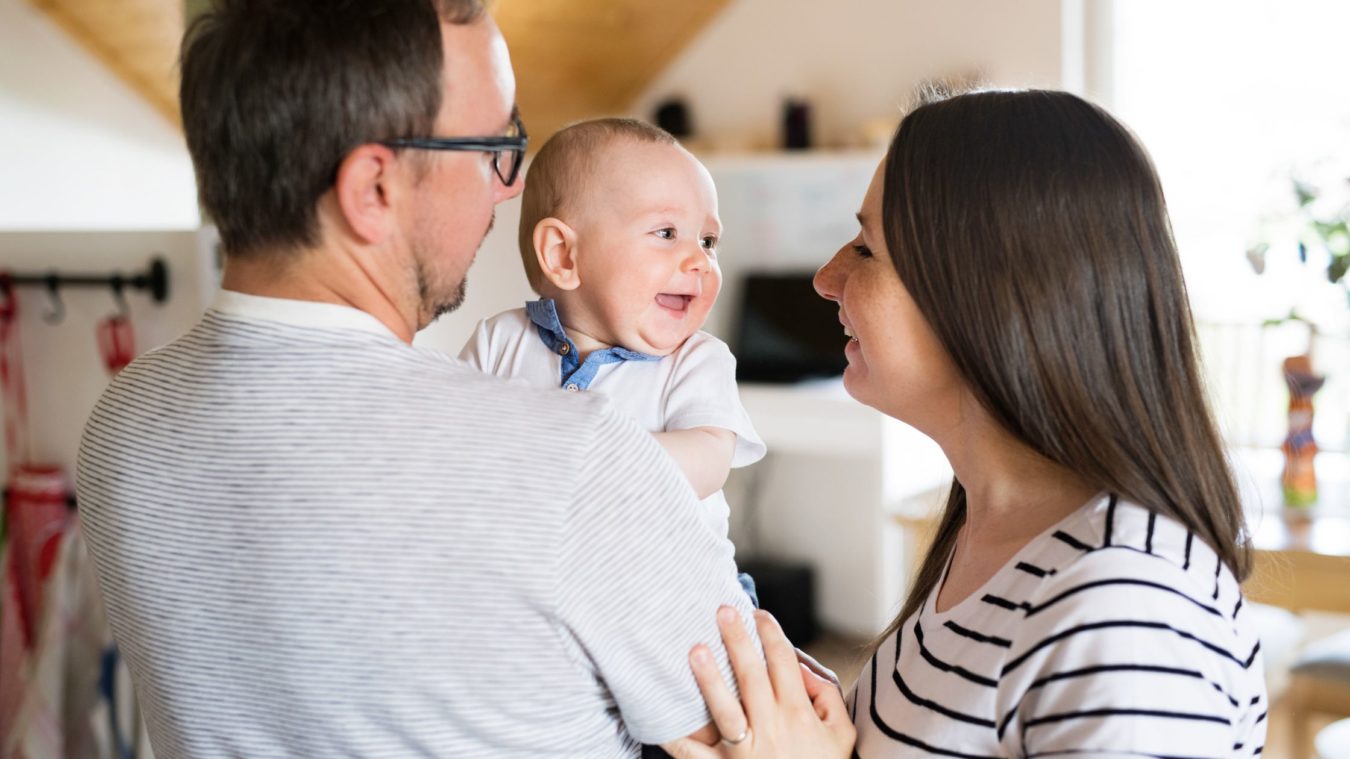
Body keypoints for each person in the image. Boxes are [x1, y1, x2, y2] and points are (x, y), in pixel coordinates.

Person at [74, 1, 755, 756]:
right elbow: (754, 726)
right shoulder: (578, 461)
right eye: (494, 146)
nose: (508, 186)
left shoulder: (119, 429)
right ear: (373, 190)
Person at [662, 89, 1268, 758]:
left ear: (993, 296)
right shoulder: (1000, 532)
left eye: (866, 249)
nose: (826, 277)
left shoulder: (1129, 609)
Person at [459, 118, 766, 561]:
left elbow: (707, 462)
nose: (699, 259)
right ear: (563, 255)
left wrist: (564, 450)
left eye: (708, 240)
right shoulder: (499, 343)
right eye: (666, 233)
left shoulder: (697, 360)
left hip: (676, 598)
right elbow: (457, 443)